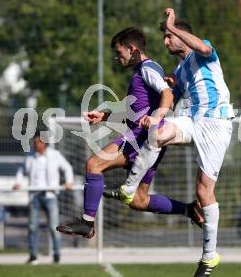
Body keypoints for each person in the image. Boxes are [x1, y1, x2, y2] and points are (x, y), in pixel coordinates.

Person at [105, 8, 235, 277]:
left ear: (182, 36)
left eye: (169, 37)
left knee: (203, 192)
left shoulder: (204, 52)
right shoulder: (179, 70)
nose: (165, 42)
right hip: (193, 120)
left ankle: (209, 255)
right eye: (165, 36)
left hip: (216, 124)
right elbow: (167, 100)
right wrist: (159, 104)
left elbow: (199, 44)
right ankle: (129, 188)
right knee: (158, 132)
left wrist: (173, 26)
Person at [56, 27, 204, 239]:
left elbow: (167, 93)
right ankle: (189, 210)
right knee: (138, 200)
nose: (117, 58)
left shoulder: (147, 68)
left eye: (119, 53)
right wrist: (105, 117)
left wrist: (157, 118)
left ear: (132, 49)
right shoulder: (142, 71)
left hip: (139, 140)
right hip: (148, 141)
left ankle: (87, 223)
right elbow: (138, 114)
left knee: (94, 165)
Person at [15, 131, 74, 265]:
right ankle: (33, 256)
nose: (36, 144)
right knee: (32, 226)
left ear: (45, 143)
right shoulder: (29, 157)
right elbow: (21, 171)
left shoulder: (55, 155)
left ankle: (57, 254)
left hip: (50, 195)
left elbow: (67, 168)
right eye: (34, 142)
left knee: (54, 226)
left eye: (39, 142)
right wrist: (18, 182)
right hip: (34, 195)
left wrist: (69, 182)